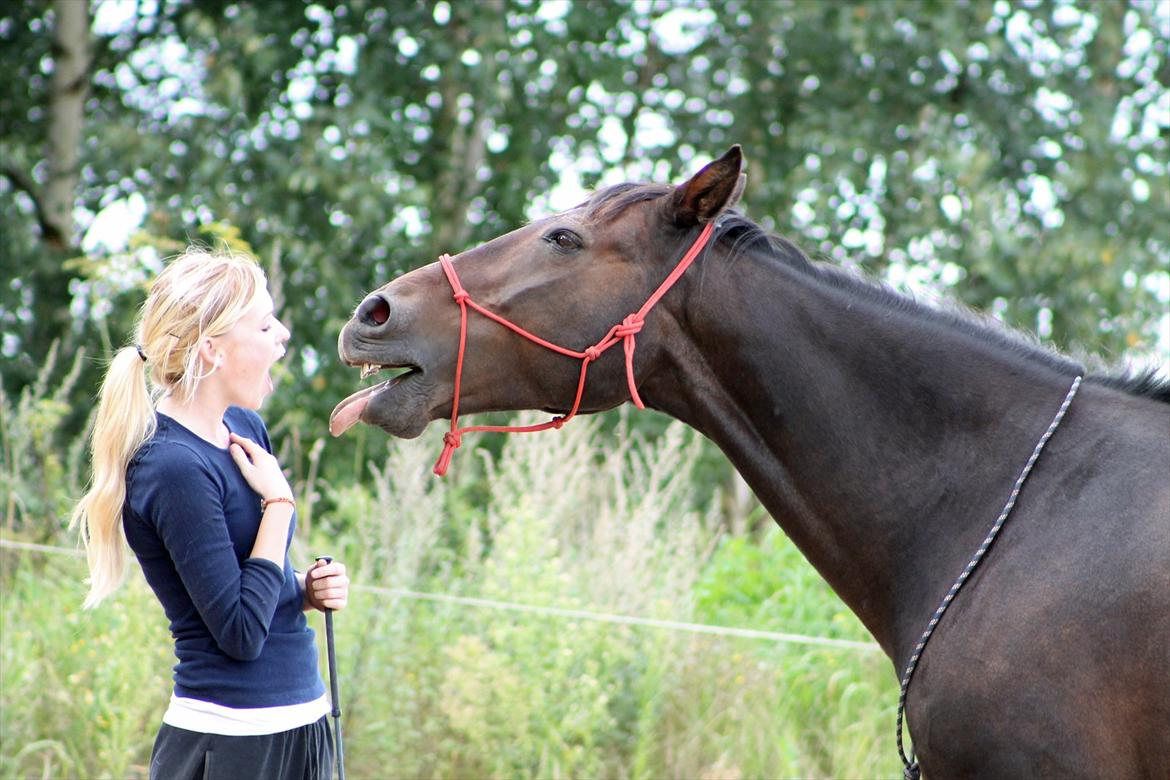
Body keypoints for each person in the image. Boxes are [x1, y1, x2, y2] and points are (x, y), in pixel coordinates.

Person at [70, 246, 349, 780]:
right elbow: (240, 631)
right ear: (213, 351)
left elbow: (249, 582)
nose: (284, 336)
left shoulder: (244, 428)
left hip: (303, 726)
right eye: (266, 327)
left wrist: (303, 590)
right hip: (232, 745)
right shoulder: (171, 467)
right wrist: (279, 504)